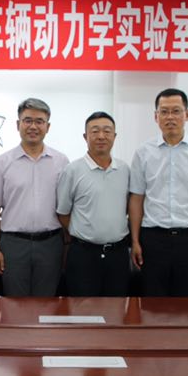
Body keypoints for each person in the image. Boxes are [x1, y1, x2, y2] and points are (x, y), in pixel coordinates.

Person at [129, 88, 188, 296]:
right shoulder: (143, 152)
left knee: (187, 301)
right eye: (164, 112)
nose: (170, 117)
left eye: (176, 111)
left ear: (187, 115)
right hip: (153, 238)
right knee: (152, 301)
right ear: (156, 117)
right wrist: (135, 241)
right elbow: (136, 199)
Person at [0, 97, 69, 296]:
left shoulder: (61, 162)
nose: (33, 126)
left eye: (39, 121)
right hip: (13, 245)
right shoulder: (2, 163)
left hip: (50, 244)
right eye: (28, 120)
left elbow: (66, 207)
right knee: (14, 304)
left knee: (46, 303)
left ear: (48, 127)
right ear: (18, 124)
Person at [56, 112, 131, 296]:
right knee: (83, 308)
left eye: (107, 131)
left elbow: (127, 208)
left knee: (116, 307)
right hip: (83, 254)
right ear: (85, 136)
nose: (101, 136)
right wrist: (85, 232)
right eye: (95, 131)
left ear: (115, 136)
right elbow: (63, 213)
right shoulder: (72, 170)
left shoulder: (124, 170)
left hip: (118, 254)